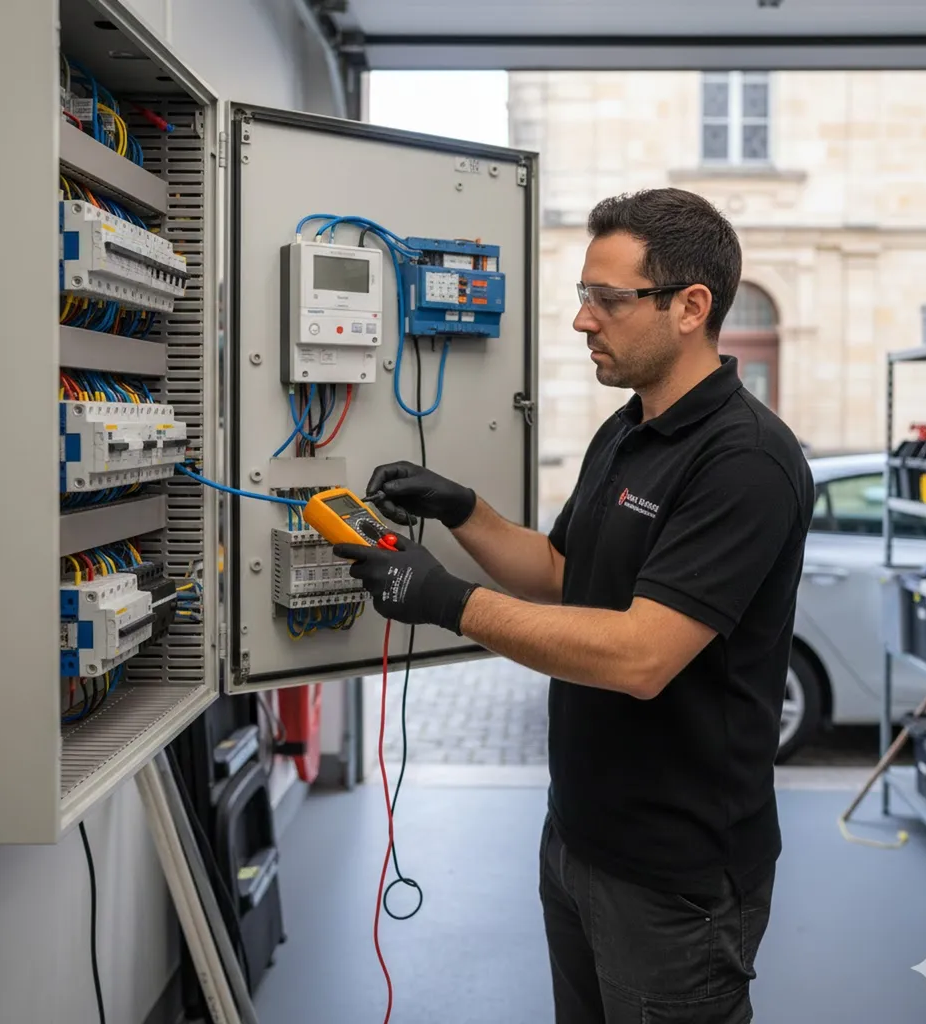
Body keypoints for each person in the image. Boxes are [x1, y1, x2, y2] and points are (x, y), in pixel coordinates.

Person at [334, 187, 814, 1023]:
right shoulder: (627, 429)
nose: (582, 320)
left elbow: (641, 657)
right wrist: (464, 512)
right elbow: (563, 570)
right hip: (578, 837)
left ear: (690, 307)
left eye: (607, 299)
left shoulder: (746, 461)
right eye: (583, 296)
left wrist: (447, 601)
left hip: (677, 873)